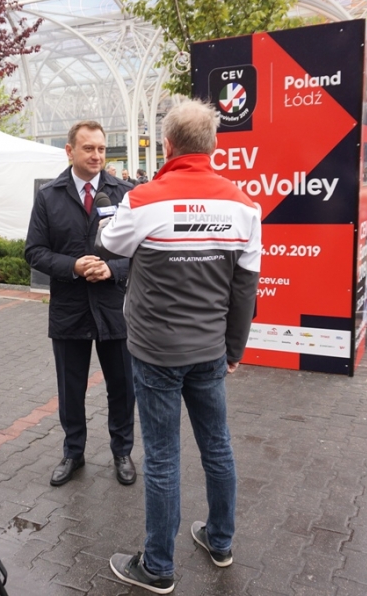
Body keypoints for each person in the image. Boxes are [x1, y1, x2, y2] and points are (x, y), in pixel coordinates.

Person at [96, 100, 261, 594]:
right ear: (214, 145)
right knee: (218, 446)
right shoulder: (244, 205)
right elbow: (245, 289)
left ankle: (158, 566)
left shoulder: (144, 199)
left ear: (167, 146)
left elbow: (110, 244)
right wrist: (234, 349)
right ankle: (220, 541)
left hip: (155, 353)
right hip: (210, 351)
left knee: (163, 458)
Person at [25, 120, 137, 487]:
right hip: (69, 308)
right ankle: (73, 452)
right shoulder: (49, 196)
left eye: (101, 149)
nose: (97, 155)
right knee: (70, 388)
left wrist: (112, 269)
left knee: (122, 386)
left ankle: (122, 451)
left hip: (114, 307)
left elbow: (142, 252)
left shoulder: (126, 194)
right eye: (89, 148)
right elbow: (34, 251)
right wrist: (72, 266)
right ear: (70, 151)